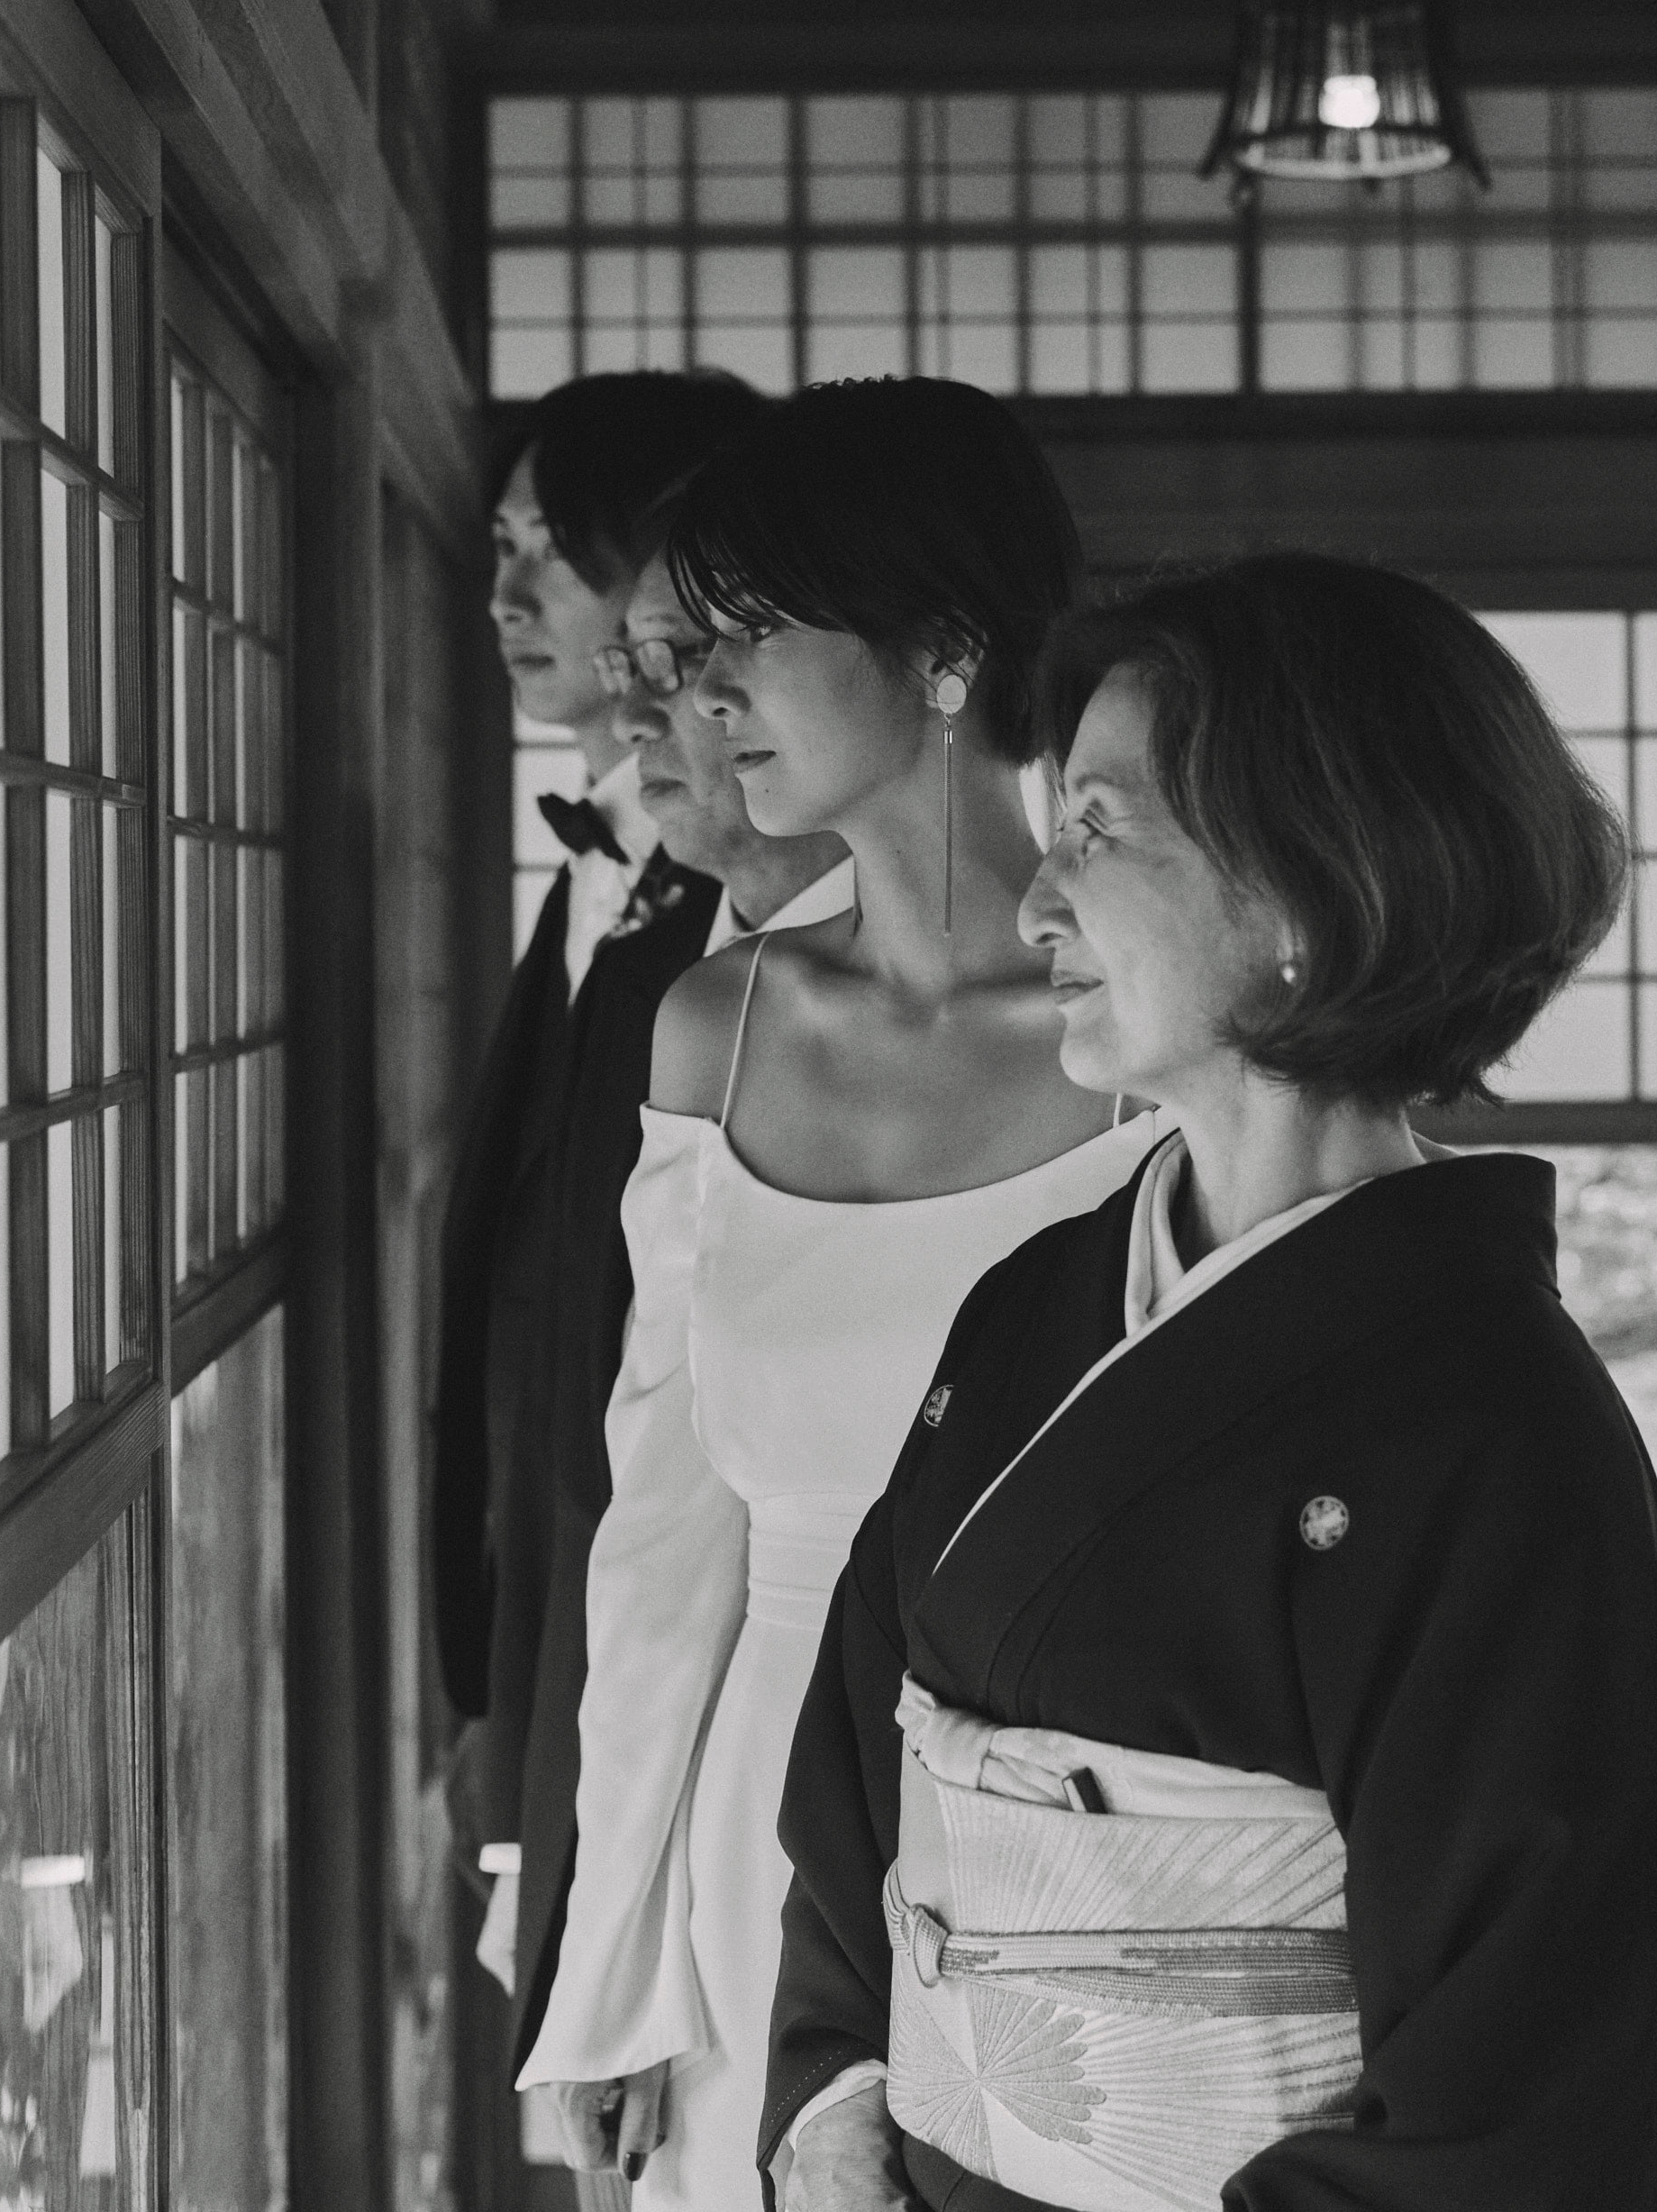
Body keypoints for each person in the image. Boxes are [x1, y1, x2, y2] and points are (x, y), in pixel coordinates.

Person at [763, 553, 1657, 2212]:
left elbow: (1534, 2073)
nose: (1033, 901)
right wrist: (834, 2090)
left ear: (1304, 897)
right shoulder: (1031, 1307)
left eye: (1100, 834)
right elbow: (860, 1760)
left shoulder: (1495, 1429)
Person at [517, 381, 1167, 2209]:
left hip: (1068, 1840)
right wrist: (609, 1968)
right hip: (751, 1835)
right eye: (686, 647)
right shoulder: (713, 1030)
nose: (697, 699)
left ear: (947, 652)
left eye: (748, 639)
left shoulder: (1156, 1047)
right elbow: (657, 1539)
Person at [502, 538, 854, 2206]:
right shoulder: (693, 1002)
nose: (664, 712)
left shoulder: (1105, 1033)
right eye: (648, 663)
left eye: (707, 659)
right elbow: (633, 1479)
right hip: (727, 1773)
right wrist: (595, 1935)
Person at [431, 371, 756, 1904]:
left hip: (655, 1647)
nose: (508, 590)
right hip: (540, 1617)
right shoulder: (601, 875)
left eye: (555, 546)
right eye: (503, 542)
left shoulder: (740, 920)